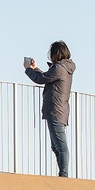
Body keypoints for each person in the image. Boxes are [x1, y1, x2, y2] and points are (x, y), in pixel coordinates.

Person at [23, 42, 75, 177]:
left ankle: (63, 175)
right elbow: (47, 77)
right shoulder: (64, 68)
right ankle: (63, 174)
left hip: (55, 110)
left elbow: (40, 79)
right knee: (56, 146)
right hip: (59, 110)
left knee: (60, 146)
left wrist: (28, 69)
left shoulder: (59, 68)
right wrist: (35, 68)